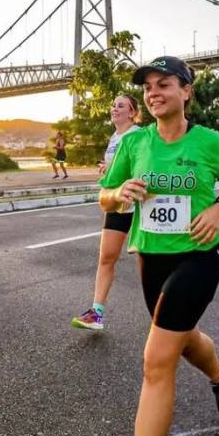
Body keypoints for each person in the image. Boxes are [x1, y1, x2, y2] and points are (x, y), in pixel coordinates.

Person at [99, 56, 219, 436]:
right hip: (152, 258)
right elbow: (105, 199)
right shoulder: (135, 144)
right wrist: (119, 193)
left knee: (156, 360)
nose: (153, 93)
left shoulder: (209, 142)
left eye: (164, 84)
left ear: (186, 91)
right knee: (181, 339)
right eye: (147, 87)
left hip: (199, 258)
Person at [71, 95, 142, 332]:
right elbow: (117, 168)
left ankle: (166, 318)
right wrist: (107, 169)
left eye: (121, 106)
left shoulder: (138, 135)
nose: (114, 109)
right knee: (106, 257)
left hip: (140, 204)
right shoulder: (115, 137)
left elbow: (142, 166)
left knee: (150, 265)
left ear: (132, 113)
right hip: (117, 202)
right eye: (113, 105)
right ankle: (96, 313)